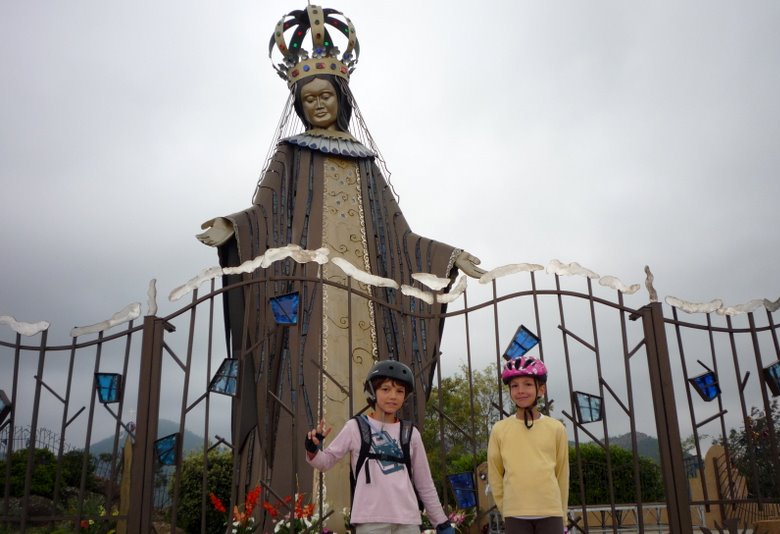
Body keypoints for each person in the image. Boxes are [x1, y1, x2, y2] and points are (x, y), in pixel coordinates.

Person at [195, 4, 484, 524]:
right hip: (306, 308)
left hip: (369, 304)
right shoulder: (289, 155)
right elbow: (264, 211)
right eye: (309, 99)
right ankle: (303, 514)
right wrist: (234, 229)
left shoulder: (367, 165)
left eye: (327, 95)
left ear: (343, 99)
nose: (319, 104)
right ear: (300, 106)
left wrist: (449, 256)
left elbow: (402, 238)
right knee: (302, 397)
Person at [305, 360, 455, 534]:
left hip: (408, 521)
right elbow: (326, 462)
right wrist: (312, 448)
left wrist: (441, 522)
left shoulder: (410, 433)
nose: (393, 396)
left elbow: (424, 483)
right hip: (370, 520)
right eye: (385, 389)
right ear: (373, 391)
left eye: (400, 391)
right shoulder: (356, 427)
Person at [487, 356, 569, 534]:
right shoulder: (500, 429)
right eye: (514, 386)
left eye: (527, 384)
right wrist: (505, 509)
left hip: (551, 512)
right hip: (515, 515)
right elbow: (495, 474)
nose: (520, 390)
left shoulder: (556, 428)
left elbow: (562, 474)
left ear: (541, 389)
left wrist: (562, 514)